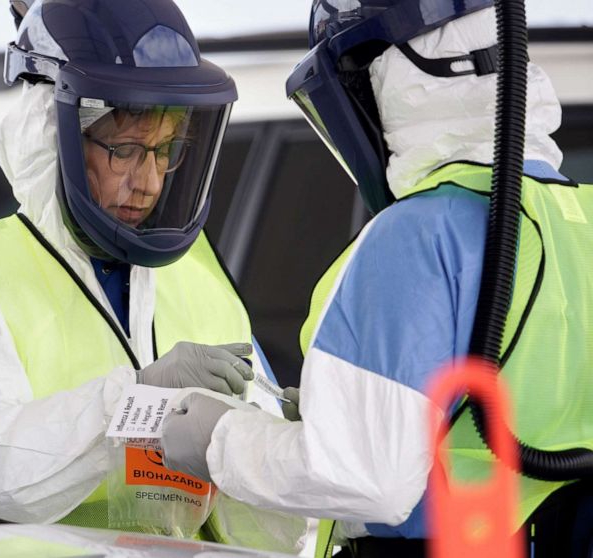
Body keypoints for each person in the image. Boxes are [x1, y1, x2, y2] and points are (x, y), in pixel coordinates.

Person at [161, 1, 593, 556]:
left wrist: (220, 437)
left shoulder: (417, 236)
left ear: (387, 76)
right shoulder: (578, 222)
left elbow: (365, 478)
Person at [0, 0, 304, 551]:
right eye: (124, 150)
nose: (148, 180)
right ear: (52, 136)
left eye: (165, 150)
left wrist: (286, 449)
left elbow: (258, 536)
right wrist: (136, 403)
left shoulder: (200, 286)